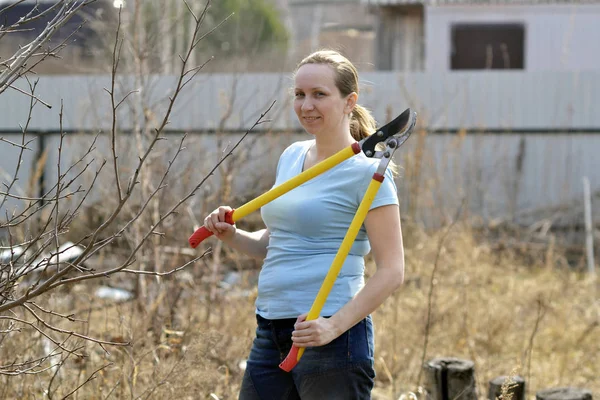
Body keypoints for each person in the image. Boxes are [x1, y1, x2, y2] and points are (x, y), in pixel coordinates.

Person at [203, 49, 405, 400]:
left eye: (319, 94)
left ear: (349, 101)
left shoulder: (370, 175)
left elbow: (392, 271)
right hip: (271, 330)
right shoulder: (293, 155)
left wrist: (333, 327)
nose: (306, 105)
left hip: (330, 337)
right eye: (299, 94)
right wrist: (232, 235)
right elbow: (276, 243)